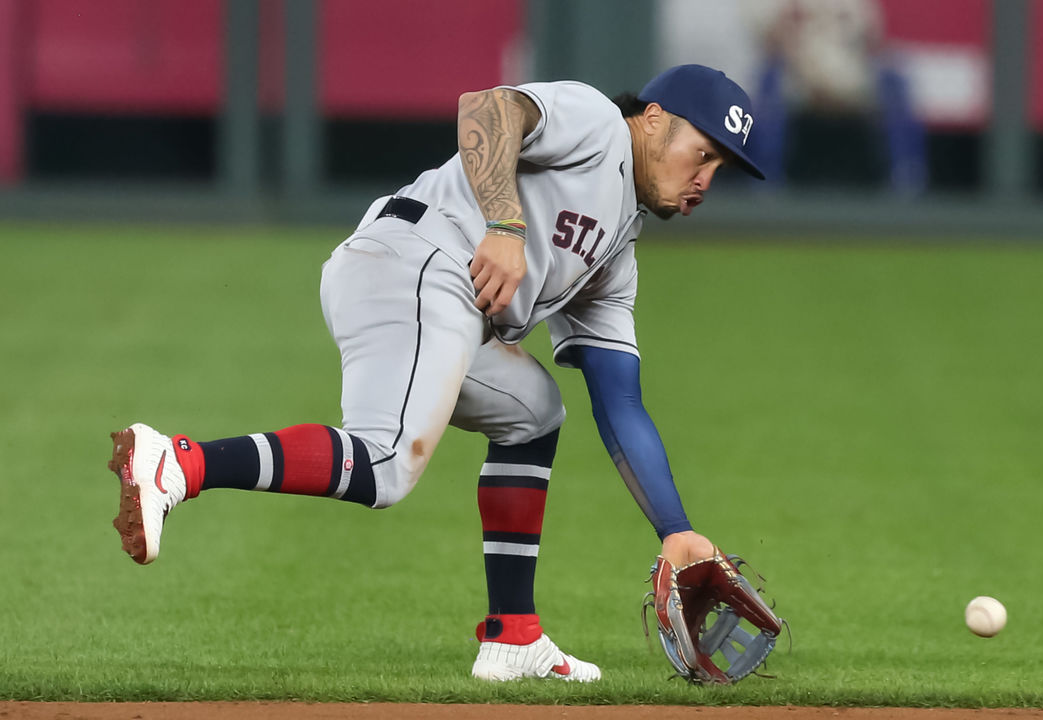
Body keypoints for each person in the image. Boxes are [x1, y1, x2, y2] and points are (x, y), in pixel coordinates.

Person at [106, 64, 766, 683]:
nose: (705, 178)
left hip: (429, 289)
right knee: (387, 464)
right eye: (702, 153)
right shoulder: (597, 123)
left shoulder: (616, 258)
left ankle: (513, 635)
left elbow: (620, 401)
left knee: (534, 413)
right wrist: (506, 224)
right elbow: (488, 109)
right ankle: (178, 465)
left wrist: (675, 530)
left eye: (720, 168)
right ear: (652, 119)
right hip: (415, 259)